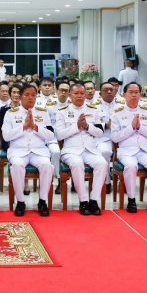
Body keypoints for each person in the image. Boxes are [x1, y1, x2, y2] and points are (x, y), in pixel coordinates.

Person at [110, 82, 147, 214]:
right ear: (124, 95)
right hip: (126, 151)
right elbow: (115, 138)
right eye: (131, 92)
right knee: (131, 166)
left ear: (141, 94)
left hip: (145, 150)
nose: (134, 95)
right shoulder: (117, 114)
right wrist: (131, 127)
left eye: (136, 92)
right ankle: (131, 200)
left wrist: (139, 127)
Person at [2, 84, 55, 217]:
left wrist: (35, 127)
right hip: (18, 151)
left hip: (39, 151)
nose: (30, 98)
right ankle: (20, 201)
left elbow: (50, 136)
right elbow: (6, 136)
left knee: (47, 165)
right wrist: (24, 126)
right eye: (27, 95)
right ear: (20, 97)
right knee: (17, 165)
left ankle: (42, 201)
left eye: (33, 95)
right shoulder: (10, 113)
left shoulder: (43, 112)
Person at [56, 83, 107, 216]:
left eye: (82, 93)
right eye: (76, 93)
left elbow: (100, 133)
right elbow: (59, 135)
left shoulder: (94, 110)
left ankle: (94, 200)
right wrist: (76, 127)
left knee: (102, 163)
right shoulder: (62, 111)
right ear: (69, 95)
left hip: (90, 150)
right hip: (71, 151)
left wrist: (88, 126)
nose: (79, 96)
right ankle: (83, 201)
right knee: (77, 164)